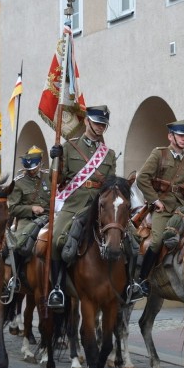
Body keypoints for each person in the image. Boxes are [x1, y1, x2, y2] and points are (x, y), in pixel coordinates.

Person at [47, 105, 117, 310]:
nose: (100, 127)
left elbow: (111, 183)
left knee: (130, 238)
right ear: (86, 121)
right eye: (96, 123)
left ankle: (130, 285)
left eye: (103, 124)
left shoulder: (109, 154)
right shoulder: (69, 147)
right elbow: (57, 180)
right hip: (74, 202)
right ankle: (57, 288)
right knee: (56, 238)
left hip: (100, 206)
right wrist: (56, 160)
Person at [132, 120, 184, 300]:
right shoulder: (159, 154)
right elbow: (142, 179)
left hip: (183, 207)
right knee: (156, 242)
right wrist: (154, 200)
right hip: (162, 206)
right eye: (180, 136)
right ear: (170, 136)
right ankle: (142, 280)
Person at [5, 146, 50, 298]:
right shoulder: (18, 182)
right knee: (19, 244)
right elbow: (12, 209)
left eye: (34, 168)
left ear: (40, 164)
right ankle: (14, 278)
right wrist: (31, 209)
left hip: (51, 218)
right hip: (28, 220)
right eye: (28, 169)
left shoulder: (49, 177)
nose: (31, 171)